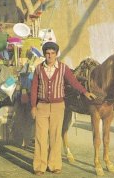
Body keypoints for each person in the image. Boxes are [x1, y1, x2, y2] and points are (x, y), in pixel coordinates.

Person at [30, 42, 96, 175]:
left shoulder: (63, 68)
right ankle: (39, 166)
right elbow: (34, 89)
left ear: (56, 54)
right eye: (47, 53)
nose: (50, 56)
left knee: (55, 136)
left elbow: (74, 82)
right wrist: (33, 106)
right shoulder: (38, 69)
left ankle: (54, 164)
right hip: (41, 106)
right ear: (44, 54)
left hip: (58, 107)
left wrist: (85, 92)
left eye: (52, 53)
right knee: (40, 137)